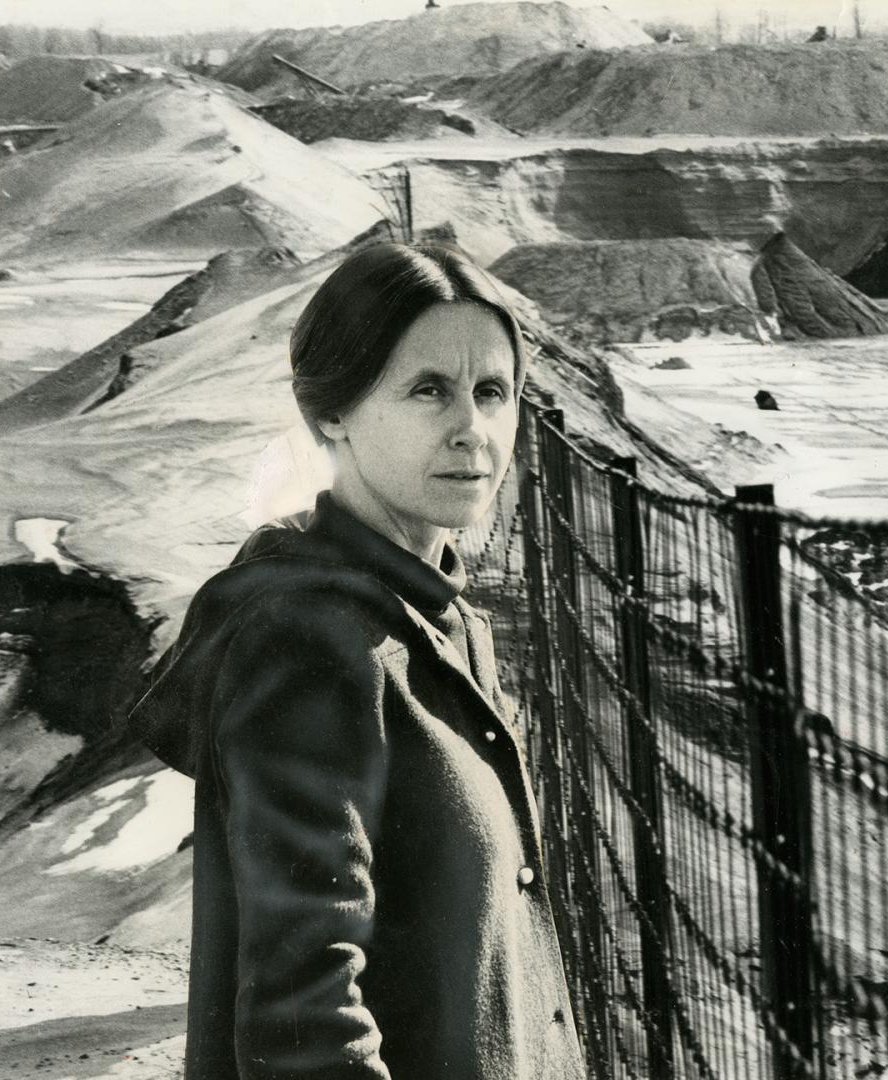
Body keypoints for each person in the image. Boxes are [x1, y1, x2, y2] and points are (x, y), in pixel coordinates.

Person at [128, 243, 587, 1080]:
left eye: (492, 392)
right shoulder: (311, 637)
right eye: (427, 391)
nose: (472, 432)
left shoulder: (434, 615)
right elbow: (306, 1018)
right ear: (333, 413)